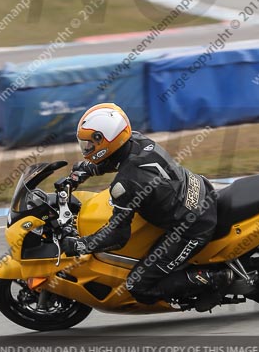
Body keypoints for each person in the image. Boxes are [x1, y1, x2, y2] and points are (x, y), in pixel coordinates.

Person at [61, 102, 224, 305]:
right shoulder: (137, 140)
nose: (87, 148)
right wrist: (87, 169)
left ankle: (214, 279)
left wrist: (80, 244)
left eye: (90, 144)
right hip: (200, 190)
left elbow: (117, 235)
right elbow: (118, 160)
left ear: (106, 140)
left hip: (193, 226)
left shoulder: (126, 184)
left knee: (137, 286)